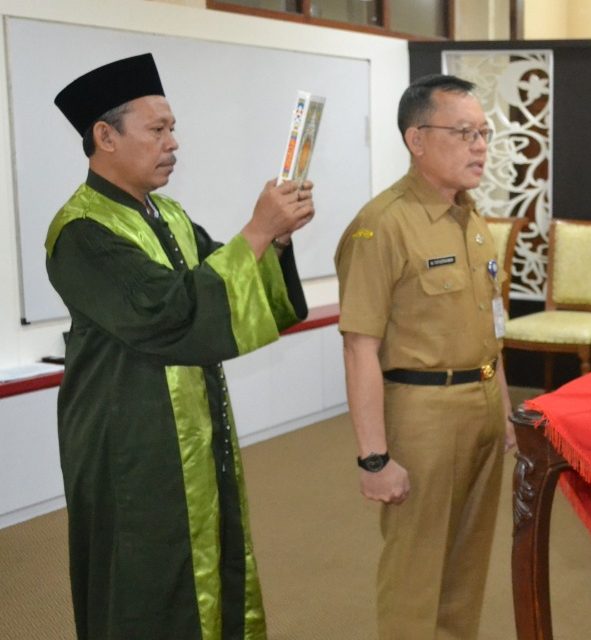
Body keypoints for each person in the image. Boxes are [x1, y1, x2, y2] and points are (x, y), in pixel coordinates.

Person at [46, 53, 313, 639]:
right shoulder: (82, 231)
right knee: (147, 578)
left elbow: (222, 274)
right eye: (157, 129)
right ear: (104, 136)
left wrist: (276, 241)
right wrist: (256, 232)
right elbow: (167, 314)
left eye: (174, 129)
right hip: (130, 442)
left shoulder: (165, 212)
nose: (173, 143)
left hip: (189, 424)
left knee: (207, 562)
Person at [334, 74, 516, 639]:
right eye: (464, 132)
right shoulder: (381, 225)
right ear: (417, 139)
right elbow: (360, 345)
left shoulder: (473, 219)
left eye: (483, 132)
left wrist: (506, 412)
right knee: (416, 568)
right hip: (422, 414)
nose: (480, 145)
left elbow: (492, 327)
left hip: (481, 404)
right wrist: (373, 458)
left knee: (466, 564)